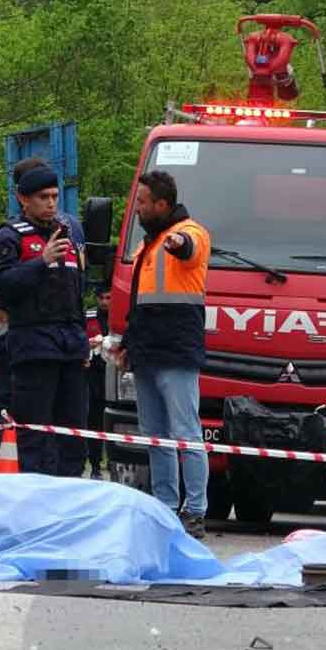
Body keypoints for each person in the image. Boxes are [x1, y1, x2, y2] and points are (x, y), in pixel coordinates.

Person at [107, 170, 212, 539]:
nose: (136, 209)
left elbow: (190, 247)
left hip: (177, 352)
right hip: (148, 353)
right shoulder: (146, 245)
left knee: (186, 433)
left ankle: (195, 511)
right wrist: (127, 347)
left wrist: (177, 242)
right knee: (156, 435)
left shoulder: (189, 233)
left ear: (162, 205)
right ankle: (165, 507)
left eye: (142, 202)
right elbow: (141, 305)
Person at [0, 162, 89, 477]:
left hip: (70, 347)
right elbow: (3, 286)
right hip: (33, 347)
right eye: (43, 197)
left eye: (54, 196)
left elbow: (77, 293)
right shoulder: (10, 235)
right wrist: (41, 262)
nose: (50, 203)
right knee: (35, 437)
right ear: (24, 199)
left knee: (74, 435)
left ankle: (71, 499)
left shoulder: (68, 233)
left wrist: (83, 342)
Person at [85, 281, 112, 479]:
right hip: (92, 377)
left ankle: (112, 461)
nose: (104, 302)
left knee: (111, 423)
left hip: (114, 376)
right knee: (93, 422)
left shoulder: (120, 316)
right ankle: (95, 465)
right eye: (101, 298)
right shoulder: (89, 317)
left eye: (108, 298)